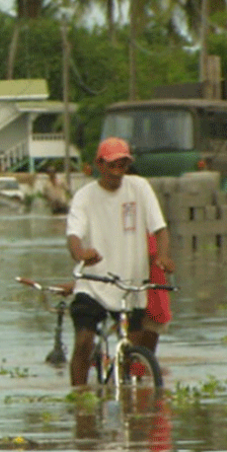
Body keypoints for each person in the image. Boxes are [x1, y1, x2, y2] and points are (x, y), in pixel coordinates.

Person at [66, 137, 174, 388]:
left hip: (131, 286)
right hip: (94, 284)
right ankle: (79, 400)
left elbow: (159, 228)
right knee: (84, 341)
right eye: (112, 165)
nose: (117, 172)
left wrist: (163, 256)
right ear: (99, 165)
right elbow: (73, 235)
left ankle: (126, 395)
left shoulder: (139, 188)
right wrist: (81, 253)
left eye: (122, 165)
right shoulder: (84, 197)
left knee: (131, 348)